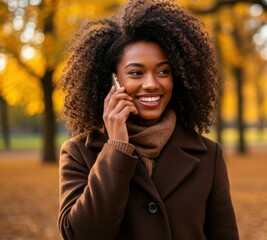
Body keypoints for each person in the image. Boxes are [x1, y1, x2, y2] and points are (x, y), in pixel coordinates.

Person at [57, 0, 239, 239]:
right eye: (136, 73)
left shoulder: (208, 154)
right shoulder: (79, 153)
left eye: (164, 71)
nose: (152, 84)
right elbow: (80, 235)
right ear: (112, 80)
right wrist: (117, 148)